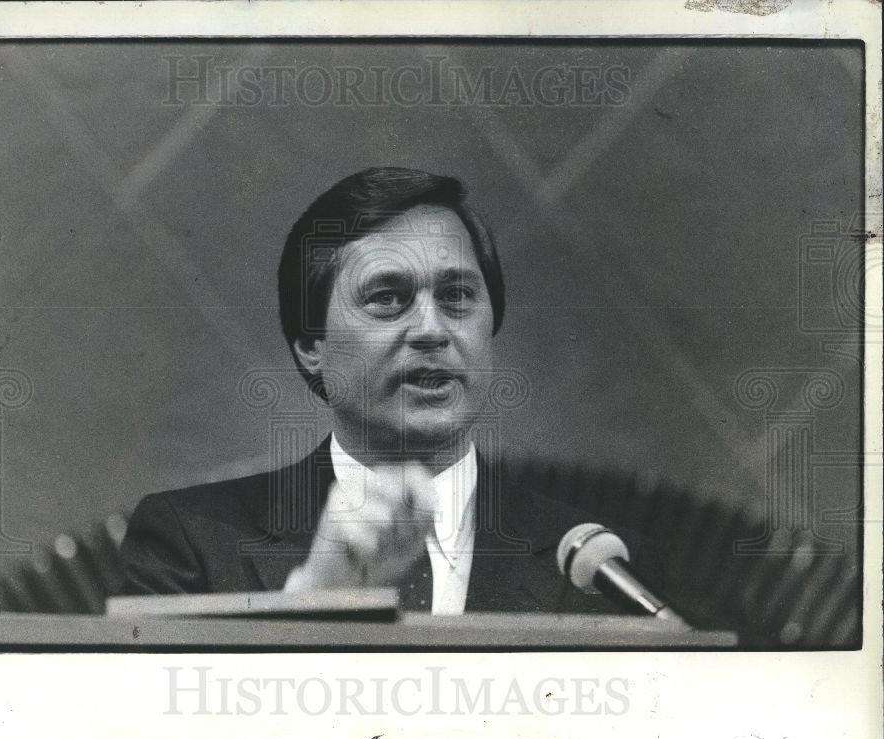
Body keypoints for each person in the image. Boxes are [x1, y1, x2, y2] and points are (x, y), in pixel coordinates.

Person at [120, 166, 642, 614]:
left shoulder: (605, 565)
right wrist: (317, 598)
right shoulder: (188, 541)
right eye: (388, 298)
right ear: (311, 345)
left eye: (457, 295)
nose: (432, 330)